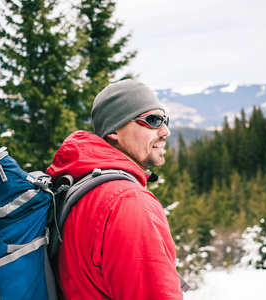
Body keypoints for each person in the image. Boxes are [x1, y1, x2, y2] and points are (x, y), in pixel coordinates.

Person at [46, 79, 183, 299]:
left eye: (165, 119)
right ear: (115, 131)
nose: (165, 131)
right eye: (153, 120)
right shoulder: (128, 203)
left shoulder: (78, 186)